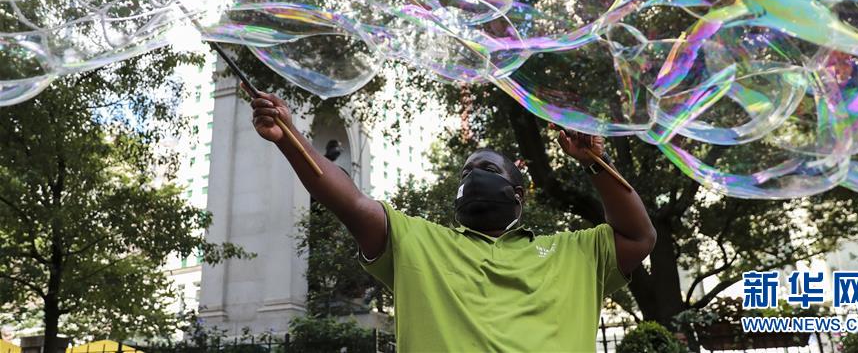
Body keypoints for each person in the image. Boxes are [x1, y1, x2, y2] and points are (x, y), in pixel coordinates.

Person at [248, 87, 656, 352]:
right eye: (466, 173)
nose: (474, 177)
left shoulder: (576, 252)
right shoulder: (416, 241)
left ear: (519, 195)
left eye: (488, 170)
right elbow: (352, 203)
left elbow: (639, 237)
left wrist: (595, 163)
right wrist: (290, 138)